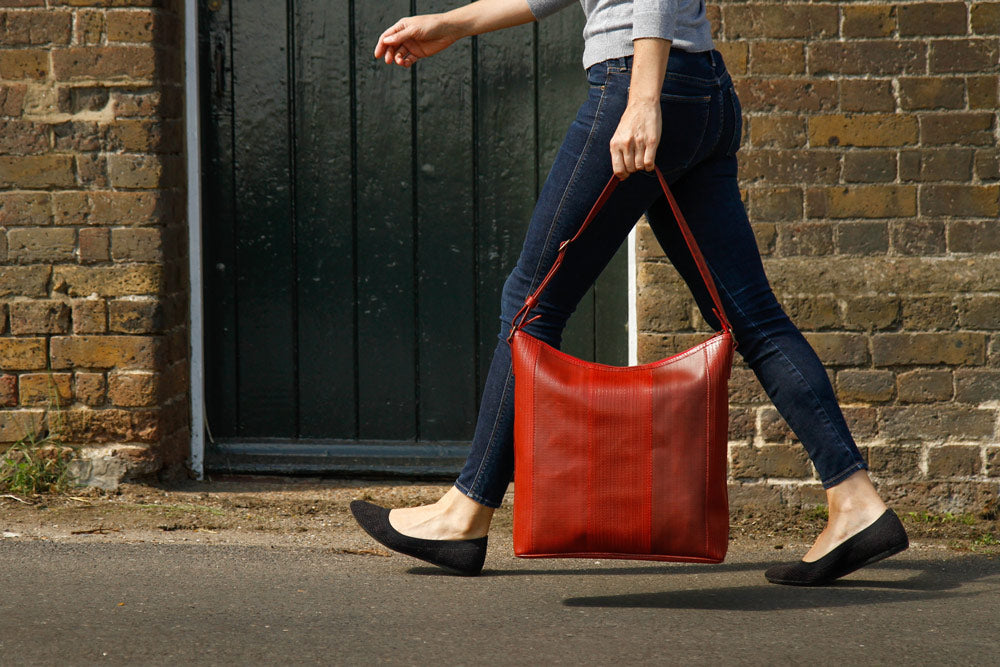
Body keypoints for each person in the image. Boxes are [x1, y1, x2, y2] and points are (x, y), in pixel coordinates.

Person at [350, 0, 909, 584]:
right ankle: (855, 501)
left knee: (530, 305)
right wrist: (452, 24)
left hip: (640, 83)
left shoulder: (641, 89)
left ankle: (464, 512)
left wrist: (643, 99)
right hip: (703, 89)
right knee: (753, 318)